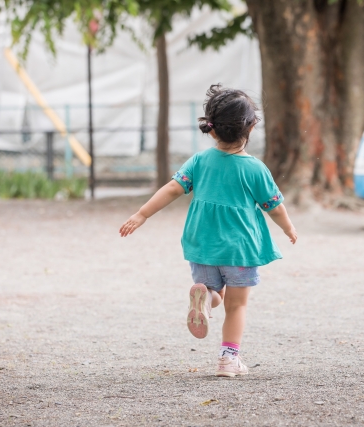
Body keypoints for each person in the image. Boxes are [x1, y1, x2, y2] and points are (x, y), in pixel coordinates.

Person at [119, 84, 297, 377]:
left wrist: (142, 214)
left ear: (212, 129)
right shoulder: (255, 169)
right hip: (240, 248)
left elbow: (172, 188)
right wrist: (288, 227)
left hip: (202, 245)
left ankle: (206, 296)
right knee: (237, 305)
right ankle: (228, 359)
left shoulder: (200, 161)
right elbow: (273, 206)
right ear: (250, 127)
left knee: (215, 291)